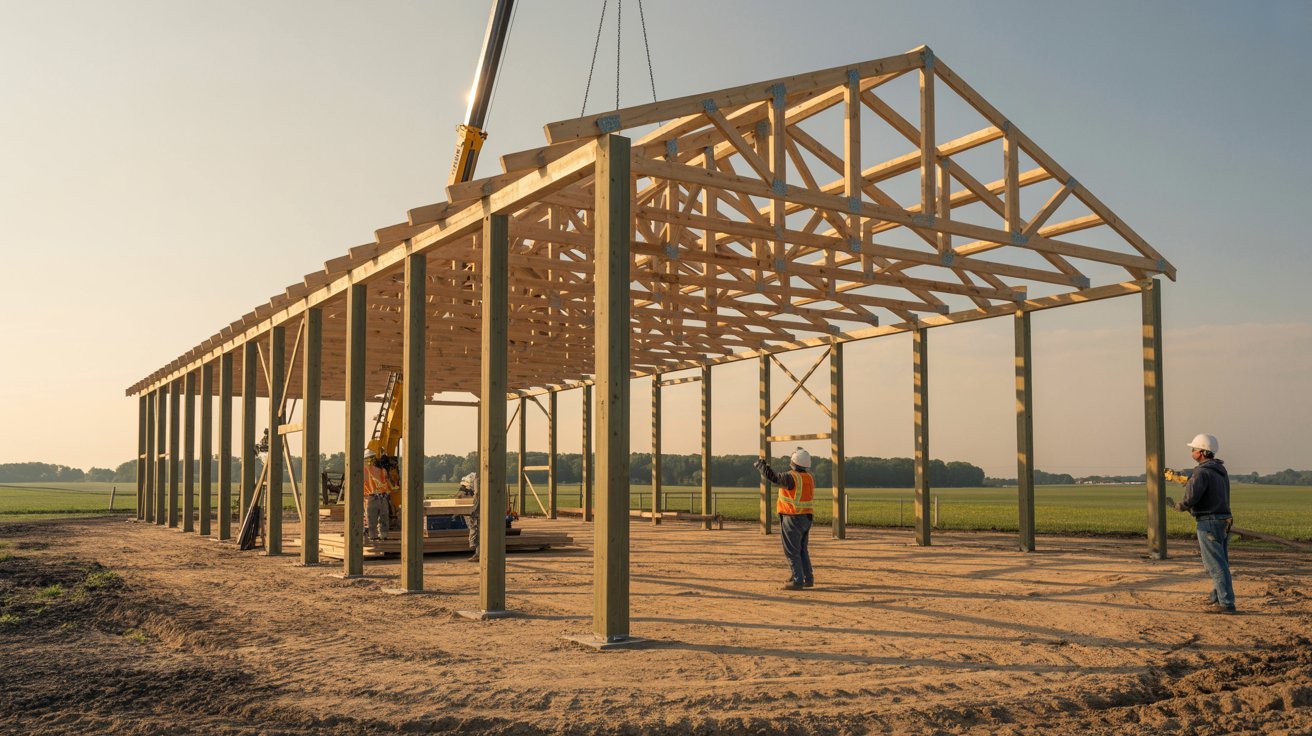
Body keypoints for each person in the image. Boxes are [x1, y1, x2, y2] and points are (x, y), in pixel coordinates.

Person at [1175, 433, 1235, 614]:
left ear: (1201, 452)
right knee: (1221, 562)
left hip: (1208, 521)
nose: (1192, 451)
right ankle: (1217, 597)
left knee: (1215, 565)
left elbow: (1192, 497)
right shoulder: (1219, 470)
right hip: (1222, 519)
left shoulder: (1201, 472)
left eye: (1193, 449)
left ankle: (1226, 603)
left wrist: (1180, 506)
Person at [755, 447, 816, 591]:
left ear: (794, 462)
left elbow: (774, 478)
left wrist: (762, 466)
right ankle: (807, 578)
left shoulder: (791, 477)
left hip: (792, 517)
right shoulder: (808, 477)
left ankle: (797, 580)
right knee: (802, 549)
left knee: (792, 551)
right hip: (806, 517)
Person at [363, 449, 395, 543]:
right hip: (371, 497)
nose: (370, 460)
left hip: (381, 496)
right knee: (371, 519)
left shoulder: (381, 471)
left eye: (372, 458)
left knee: (384, 517)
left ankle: (383, 536)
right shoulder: (363, 471)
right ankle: (373, 536)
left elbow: (386, 482)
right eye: (369, 458)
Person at [456, 473, 480, 562]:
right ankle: (479, 553)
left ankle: (479, 554)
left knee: (476, 526)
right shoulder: (474, 479)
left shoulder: (474, 481)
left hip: (479, 509)